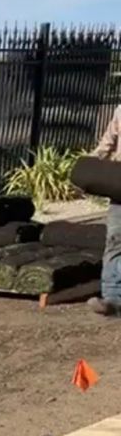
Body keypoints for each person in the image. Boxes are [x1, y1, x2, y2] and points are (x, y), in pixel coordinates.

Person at [88, 104, 121, 316]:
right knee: (115, 240)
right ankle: (112, 299)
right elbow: (106, 144)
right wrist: (86, 169)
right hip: (120, 187)